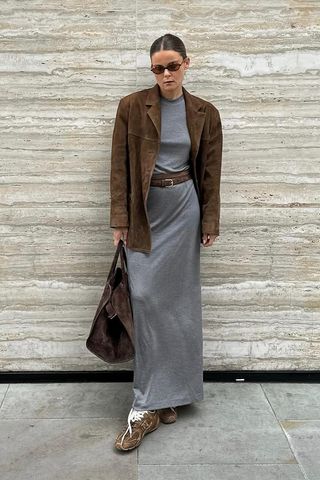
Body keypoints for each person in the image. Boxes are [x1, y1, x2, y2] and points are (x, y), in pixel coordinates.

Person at [110, 33, 223, 452]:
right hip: (145, 213)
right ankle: (151, 400)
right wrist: (119, 219)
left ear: (187, 64)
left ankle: (158, 400)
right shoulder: (131, 107)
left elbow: (211, 172)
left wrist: (209, 219)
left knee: (179, 305)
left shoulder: (205, 112)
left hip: (184, 210)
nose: (166, 74)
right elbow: (119, 166)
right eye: (158, 68)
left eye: (173, 65)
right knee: (146, 300)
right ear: (151, 70)